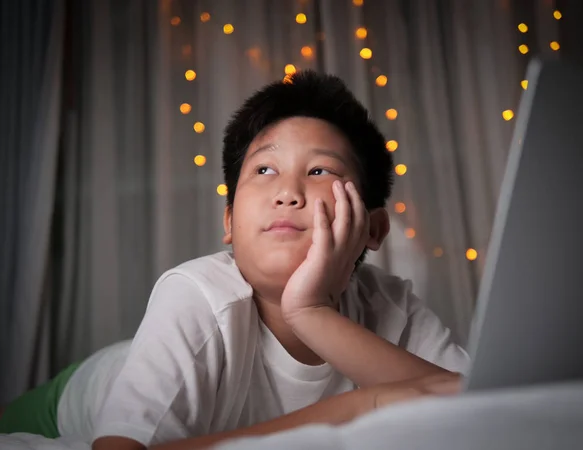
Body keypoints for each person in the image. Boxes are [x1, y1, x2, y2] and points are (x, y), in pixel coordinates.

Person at [0, 71, 469, 449]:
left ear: (373, 228)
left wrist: (311, 311)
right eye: (264, 170)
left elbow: (478, 404)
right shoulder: (195, 293)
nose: (287, 192)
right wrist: (357, 409)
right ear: (229, 221)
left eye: (320, 170)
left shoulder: (389, 303)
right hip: (51, 410)